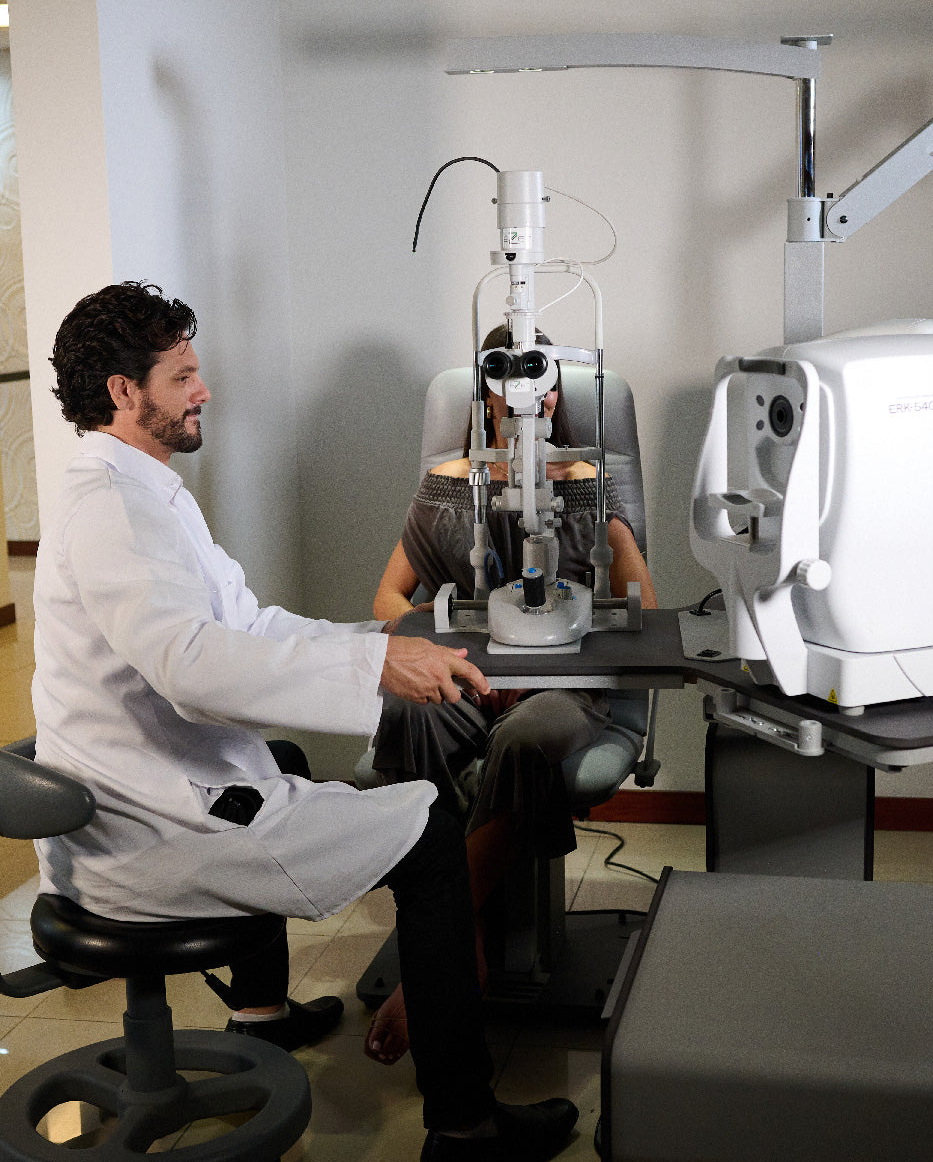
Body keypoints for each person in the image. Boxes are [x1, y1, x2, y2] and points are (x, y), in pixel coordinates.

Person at [32, 282, 578, 1162]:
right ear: (124, 392)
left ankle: (262, 1014)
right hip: (143, 830)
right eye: (183, 377)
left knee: (279, 754)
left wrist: (383, 644)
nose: (205, 390)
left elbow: (247, 625)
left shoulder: (145, 491)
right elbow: (192, 666)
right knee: (433, 838)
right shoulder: (113, 509)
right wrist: (376, 669)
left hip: (146, 781)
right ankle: (465, 1125)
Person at [364, 327, 656, 1064]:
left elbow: (644, 613)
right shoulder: (449, 485)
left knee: (529, 738)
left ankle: (432, 960)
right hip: (472, 677)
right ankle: (460, 941)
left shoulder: (587, 481)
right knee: (408, 711)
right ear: (486, 391)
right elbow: (388, 600)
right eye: (514, 380)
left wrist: (603, 533)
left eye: (545, 381)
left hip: (567, 689)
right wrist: (458, 655)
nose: (535, 397)